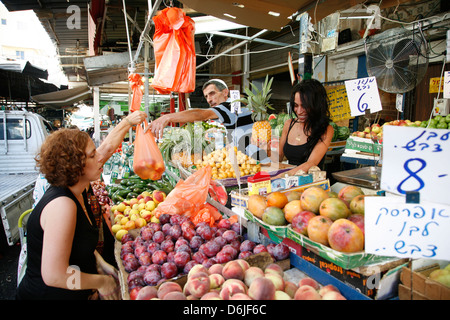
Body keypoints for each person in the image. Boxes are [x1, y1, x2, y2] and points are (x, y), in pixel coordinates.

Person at [16, 111, 147, 300]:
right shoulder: (62, 205)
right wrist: (100, 282)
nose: (99, 158)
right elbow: (55, 276)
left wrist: (98, 261)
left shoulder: (82, 192)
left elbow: (75, 242)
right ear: (75, 166)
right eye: (92, 155)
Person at [148, 79, 265, 160]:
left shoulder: (229, 106)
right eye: (206, 96)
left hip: (255, 159)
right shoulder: (238, 106)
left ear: (225, 92)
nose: (209, 99)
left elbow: (201, 114)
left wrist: (168, 117)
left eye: (212, 93)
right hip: (253, 157)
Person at [274, 79, 334, 178]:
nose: (299, 111)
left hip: (310, 186)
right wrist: (265, 147)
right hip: (288, 183)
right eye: (296, 105)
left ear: (316, 105)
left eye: (305, 106)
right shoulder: (289, 124)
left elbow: (311, 163)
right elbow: (278, 157)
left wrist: (281, 176)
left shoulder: (326, 129)